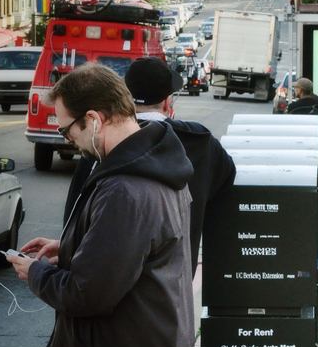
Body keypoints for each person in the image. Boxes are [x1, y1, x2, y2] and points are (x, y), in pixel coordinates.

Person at [7, 63, 195, 347]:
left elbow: (89, 293)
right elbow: (139, 251)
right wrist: (68, 245)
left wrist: (34, 273)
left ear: (94, 119)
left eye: (68, 129)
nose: (67, 140)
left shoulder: (125, 187)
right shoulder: (154, 164)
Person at [64, 58, 236, 269]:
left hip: (105, 278)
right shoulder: (201, 143)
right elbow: (225, 182)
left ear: (124, 98)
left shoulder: (103, 145)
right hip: (177, 281)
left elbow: (74, 215)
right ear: (167, 102)